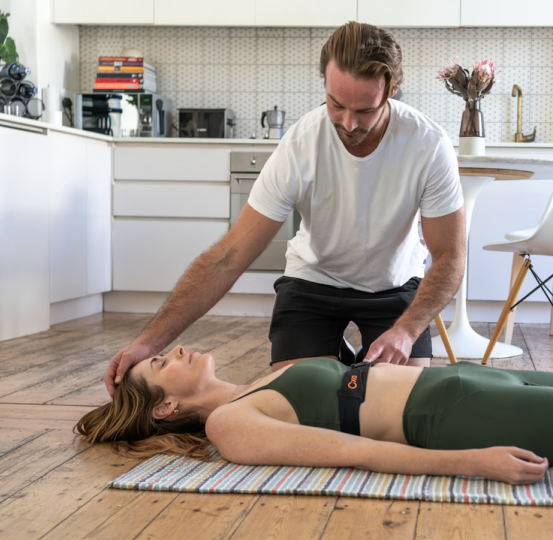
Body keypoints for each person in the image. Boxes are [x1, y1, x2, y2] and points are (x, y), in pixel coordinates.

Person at [102, 21, 466, 398]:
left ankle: (346, 359)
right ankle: (335, 356)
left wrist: (406, 331)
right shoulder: (301, 144)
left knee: (398, 401)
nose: (348, 124)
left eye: (365, 110)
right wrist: (148, 342)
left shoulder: (427, 144)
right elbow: (229, 257)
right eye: (336, 104)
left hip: (394, 287)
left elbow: (450, 256)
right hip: (314, 281)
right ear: (324, 83)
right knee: (304, 398)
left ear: (391, 91)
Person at [79, 345, 553, 484]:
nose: (174, 351)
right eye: (161, 365)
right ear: (167, 405)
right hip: (458, 422)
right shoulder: (229, 425)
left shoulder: (265, 377)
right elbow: (355, 456)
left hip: (471, 381)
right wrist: (468, 464)